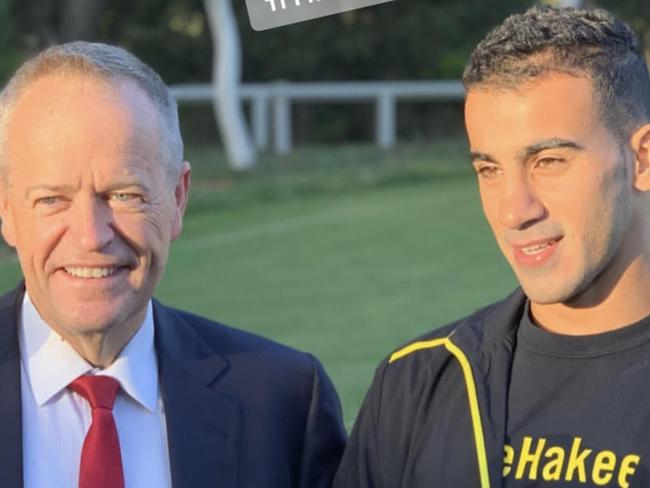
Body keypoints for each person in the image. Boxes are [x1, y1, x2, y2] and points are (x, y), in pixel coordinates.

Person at [0, 41, 345, 488]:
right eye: (52, 199)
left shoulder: (285, 403)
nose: (90, 235)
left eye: (124, 195)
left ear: (178, 198)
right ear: (6, 209)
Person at [334, 5, 650, 488]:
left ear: (642, 160)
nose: (513, 211)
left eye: (548, 161)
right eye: (489, 170)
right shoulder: (417, 383)